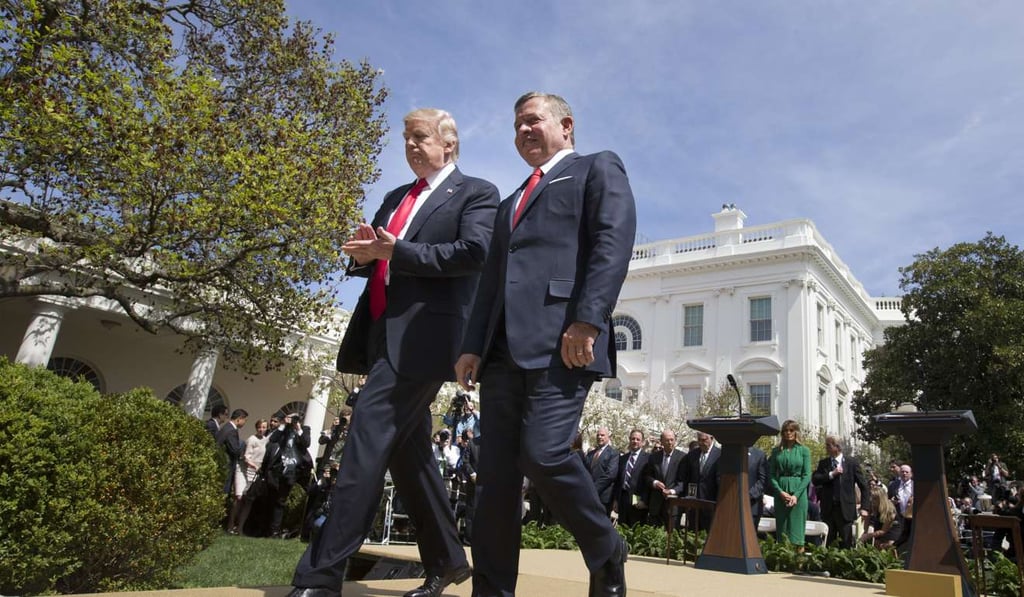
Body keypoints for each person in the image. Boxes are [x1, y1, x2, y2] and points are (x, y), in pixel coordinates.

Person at [285, 108, 499, 597]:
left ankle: (320, 576)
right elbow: (381, 260)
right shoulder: (394, 198)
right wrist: (364, 256)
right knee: (408, 452)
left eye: (419, 137)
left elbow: (473, 254)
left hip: (426, 341)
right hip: (379, 334)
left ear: (449, 144)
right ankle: (446, 558)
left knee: (365, 437)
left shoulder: (476, 193)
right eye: (405, 137)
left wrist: (393, 251)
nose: (410, 145)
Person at [455, 91, 637, 597]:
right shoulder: (510, 201)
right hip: (500, 352)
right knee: (492, 482)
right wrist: (472, 343)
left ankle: (605, 548)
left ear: (566, 125)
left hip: (564, 341)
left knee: (543, 453)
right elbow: (491, 280)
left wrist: (588, 319)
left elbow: (612, 242)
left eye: (532, 120)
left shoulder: (596, 168)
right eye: (516, 125)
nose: (523, 131)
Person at [811, 435, 870, 548]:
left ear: (837, 447)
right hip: (828, 509)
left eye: (828, 445)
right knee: (829, 542)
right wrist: (831, 474)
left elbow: (863, 486)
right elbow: (816, 480)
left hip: (845, 510)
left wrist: (865, 507)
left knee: (846, 541)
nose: (826, 448)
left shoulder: (851, 463)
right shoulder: (824, 463)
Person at [265, 413, 313, 539]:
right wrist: (283, 425)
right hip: (286, 468)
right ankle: (274, 531)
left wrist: (298, 428)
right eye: (291, 418)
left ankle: (304, 530)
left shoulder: (305, 429)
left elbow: (306, 443)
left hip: (301, 469)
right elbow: (272, 439)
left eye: (295, 418)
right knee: (280, 500)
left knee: (311, 494)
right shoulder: (284, 430)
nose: (293, 421)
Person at [769, 419, 812, 549]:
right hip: (781, 491)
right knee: (782, 530)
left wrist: (796, 495)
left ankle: (797, 563)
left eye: (791, 430)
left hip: (798, 493)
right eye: (785, 431)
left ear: (796, 432)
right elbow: (771, 475)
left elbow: (807, 475)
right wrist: (780, 492)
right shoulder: (776, 451)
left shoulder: (804, 450)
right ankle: (782, 561)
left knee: (797, 532)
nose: (788, 433)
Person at [673, 432, 721, 531]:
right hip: (694, 505)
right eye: (699, 440)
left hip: (711, 504)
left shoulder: (720, 455)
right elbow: (685, 477)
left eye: (704, 440)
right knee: (693, 533)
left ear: (712, 438)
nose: (701, 443)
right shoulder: (692, 455)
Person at [641, 430, 686, 527]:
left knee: (672, 538)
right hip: (655, 506)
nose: (670, 443)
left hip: (672, 506)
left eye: (672, 440)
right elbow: (647, 476)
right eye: (667, 440)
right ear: (661, 441)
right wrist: (655, 482)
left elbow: (684, 481)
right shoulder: (654, 457)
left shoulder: (682, 457)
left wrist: (673, 491)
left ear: (675, 440)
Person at [234, 418, 269, 535]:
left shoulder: (266, 440)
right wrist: (254, 466)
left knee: (248, 501)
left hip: (256, 472)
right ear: (256, 427)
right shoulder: (252, 440)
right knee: (239, 498)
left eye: (264, 427)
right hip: (245, 470)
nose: (261, 429)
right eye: (260, 427)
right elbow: (246, 457)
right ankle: (230, 525)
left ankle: (240, 528)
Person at [216, 408, 248, 530]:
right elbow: (234, 449)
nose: (244, 423)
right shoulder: (231, 431)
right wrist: (243, 446)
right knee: (223, 493)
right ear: (239, 419)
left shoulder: (225, 428)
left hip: (224, 465)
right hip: (226, 466)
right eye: (244, 420)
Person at [613, 429, 650, 527]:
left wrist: (644, 500)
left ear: (642, 442)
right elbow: (618, 481)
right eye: (633, 439)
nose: (635, 441)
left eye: (638, 439)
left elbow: (648, 482)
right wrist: (616, 500)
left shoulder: (648, 459)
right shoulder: (623, 458)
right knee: (622, 528)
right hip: (623, 498)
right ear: (629, 440)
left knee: (635, 529)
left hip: (637, 499)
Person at [586, 427, 619, 515]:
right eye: (598, 435)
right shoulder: (590, 454)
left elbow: (610, 475)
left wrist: (593, 489)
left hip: (603, 497)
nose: (600, 437)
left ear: (608, 437)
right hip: (588, 495)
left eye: (602, 435)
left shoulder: (613, 454)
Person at [859, 484, 901, 549]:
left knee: (888, 545)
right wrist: (865, 532)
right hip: (879, 525)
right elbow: (867, 517)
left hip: (891, 530)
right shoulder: (872, 505)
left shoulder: (890, 510)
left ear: (881, 499)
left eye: (874, 498)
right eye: (871, 497)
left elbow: (884, 531)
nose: (871, 500)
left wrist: (868, 536)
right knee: (876, 544)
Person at [748, 445, 769, 530]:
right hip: (732, 505)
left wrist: (749, 495)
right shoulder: (730, 453)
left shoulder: (759, 455)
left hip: (753, 505)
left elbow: (763, 480)